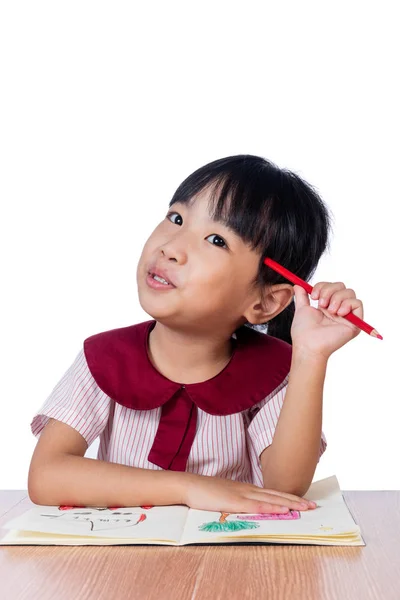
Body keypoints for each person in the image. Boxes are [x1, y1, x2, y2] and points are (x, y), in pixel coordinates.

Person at [28, 154, 364, 515]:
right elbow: (46, 476)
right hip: (120, 563)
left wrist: (311, 356)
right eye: (176, 218)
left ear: (266, 302)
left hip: (228, 563)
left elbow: (284, 488)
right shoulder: (105, 357)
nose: (170, 248)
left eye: (216, 240)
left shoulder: (272, 373)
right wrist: (189, 488)